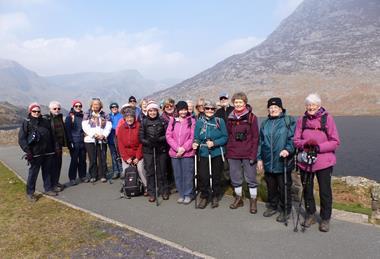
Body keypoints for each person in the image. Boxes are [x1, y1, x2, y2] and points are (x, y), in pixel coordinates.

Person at [293, 93, 340, 232]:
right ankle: (310, 214)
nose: (310, 107)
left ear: (319, 106)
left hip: (324, 161)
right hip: (305, 161)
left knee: (325, 191)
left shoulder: (327, 119)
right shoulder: (302, 120)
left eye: (313, 105)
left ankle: (325, 218)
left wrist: (318, 147)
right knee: (307, 189)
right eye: (308, 105)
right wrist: (306, 144)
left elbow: (335, 141)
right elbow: (296, 140)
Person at [257, 97, 296, 222]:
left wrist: (288, 150)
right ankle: (273, 206)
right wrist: (259, 159)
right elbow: (260, 143)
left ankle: (286, 210)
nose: (273, 109)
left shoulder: (288, 121)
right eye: (271, 107)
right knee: (271, 187)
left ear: (280, 108)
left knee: (284, 187)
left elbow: (293, 139)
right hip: (268, 161)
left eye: (275, 107)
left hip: (283, 161)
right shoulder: (265, 124)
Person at [226, 92, 259, 214]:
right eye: (236, 102)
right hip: (233, 152)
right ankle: (238, 198)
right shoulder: (230, 117)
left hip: (248, 153)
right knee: (235, 178)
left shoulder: (251, 117)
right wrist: (228, 151)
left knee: (251, 178)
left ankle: (253, 200)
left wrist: (253, 154)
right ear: (233, 103)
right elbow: (228, 135)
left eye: (240, 102)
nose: (238, 104)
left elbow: (256, 137)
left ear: (245, 103)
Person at [192, 100, 228, 209]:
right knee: (203, 176)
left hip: (216, 152)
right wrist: (195, 143)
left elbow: (225, 137)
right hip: (203, 152)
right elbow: (197, 137)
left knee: (216, 176)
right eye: (207, 108)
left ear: (215, 110)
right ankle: (204, 195)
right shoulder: (199, 122)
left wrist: (214, 143)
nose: (210, 110)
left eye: (212, 109)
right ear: (204, 109)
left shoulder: (219, 121)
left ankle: (215, 196)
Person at [18, 102, 57, 201]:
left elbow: (52, 135)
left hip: (48, 152)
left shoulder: (45, 121)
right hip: (34, 153)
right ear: (30, 111)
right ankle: (30, 193)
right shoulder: (26, 123)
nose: (36, 113)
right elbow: (22, 139)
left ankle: (48, 189)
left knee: (47, 172)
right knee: (33, 173)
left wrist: (55, 148)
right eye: (34, 111)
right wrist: (28, 151)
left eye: (38, 111)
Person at [139, 101, 170, 202]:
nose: (152, 112)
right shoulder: (143, 122)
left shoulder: (162, 121)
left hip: (161, 150)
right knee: (150, 172)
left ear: (157, 111)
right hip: (148, 150)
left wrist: (158, 140)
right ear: (148, 112)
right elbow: (140, 137)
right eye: (150, 111)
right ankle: (151, 193)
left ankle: (164, 190)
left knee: (162, 171)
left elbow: (167, 135)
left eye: (154, 110)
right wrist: (149, 142)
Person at [166, 101, 196, 204]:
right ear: (177, 110)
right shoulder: (173, 121)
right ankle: (181, 194)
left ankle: (188, 194)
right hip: (175, 153)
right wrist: (177, 148)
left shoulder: (191, 121)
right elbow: (168, 136)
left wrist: (183, 148)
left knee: (187, 175)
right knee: (178, 175)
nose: (183, 112)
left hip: (187, 153)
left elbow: (192, 137)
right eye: (181, 109)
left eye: (185, 109)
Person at [117, 107, 148, 195]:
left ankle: (146, 186)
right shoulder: (121, 128)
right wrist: (126, 158)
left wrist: (138, 157)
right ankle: (128, 186)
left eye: (131, 117)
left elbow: (141, 143)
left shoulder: (139, 126)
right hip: (127, 154)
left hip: (138, 154)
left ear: (134, 117)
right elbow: (120, 144)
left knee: (140, 169)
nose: (129, 119)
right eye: (127, 117)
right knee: (126, 170)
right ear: (124, 118)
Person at [82, 98, 112, 183]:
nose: (96, 106)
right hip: (90, 140)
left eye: (97, 104)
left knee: (102, 158)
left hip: (102, 140)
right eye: (94, 104)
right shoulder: (87, 114)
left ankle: (103, 175)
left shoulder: (104, 114)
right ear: (91, 105)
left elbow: (108, 126)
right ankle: (93, 175)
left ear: (100, 105)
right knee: (92, 159)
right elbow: (85, 126)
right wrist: (94, 135)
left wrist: (104, 135)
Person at [46, 101, 68, 192]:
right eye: (54, 108)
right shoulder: (47, 120)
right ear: (50, 109)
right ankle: (52, 185)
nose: (57, 110)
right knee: (52, 166)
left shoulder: (59, 118)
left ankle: (56, 182)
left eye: (58, 108)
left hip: (59, 146)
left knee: (58, 164)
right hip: (51, 147)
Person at [65, 99, 87, 185]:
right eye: (76, 106)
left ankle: (82, 176)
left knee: (83, 160)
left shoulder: (83, 116)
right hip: (74, 142)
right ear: (73, 107)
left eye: (80, 106)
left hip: (82, 141)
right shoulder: (70, 117)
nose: (78, 107)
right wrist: (70, 142)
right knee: (74, 160)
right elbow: (68, 131)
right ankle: (72, 178)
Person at [107, 102, 123, 179]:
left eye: (115, 107)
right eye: (112, 108)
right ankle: (115, 171)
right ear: (110, 109)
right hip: (110, 138)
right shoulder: (108, 116)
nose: (114, 109)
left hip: (119, 138)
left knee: (120, 155)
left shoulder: (121, 116)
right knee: (113, 155)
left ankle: (121, 170)